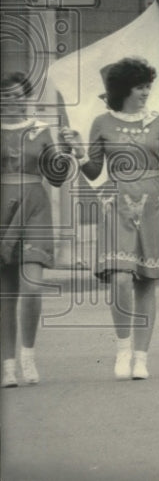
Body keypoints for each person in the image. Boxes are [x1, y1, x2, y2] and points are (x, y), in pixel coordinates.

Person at [63, 57, 159, 380]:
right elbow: (95, 170)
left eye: (148, 86)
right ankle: (123, 349)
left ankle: (141, 357)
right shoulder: (102, 122)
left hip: (154, 204)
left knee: (146, 282)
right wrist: (78, 152)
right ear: (123, 89)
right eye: (140, 87)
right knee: (121, 277)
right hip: (116, 203)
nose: (145, 92)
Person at [0, 73, 72, 387]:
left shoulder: (42, 131)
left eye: (18, 96)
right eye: (6, 96)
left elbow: (56, 178)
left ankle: (28, 356)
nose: (13, 101)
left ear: (27, 98)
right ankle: (8, 365)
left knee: (31, 286)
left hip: (36, 210)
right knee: (6, 295)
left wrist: (65, 151)